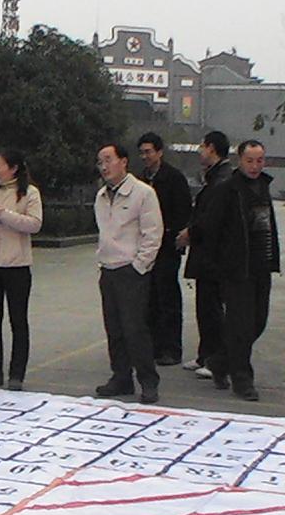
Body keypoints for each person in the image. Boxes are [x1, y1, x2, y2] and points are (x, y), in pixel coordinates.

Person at [200, 140, 279, 401]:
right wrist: (217, 266)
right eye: (250, 160)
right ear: (240, 160)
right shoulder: (228, 189)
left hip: (261, 266)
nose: (255, 166)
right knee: (241, 326)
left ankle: (219, 361)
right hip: (236, 271)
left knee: (258, 322)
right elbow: (211, 228)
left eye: (259, 160)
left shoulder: (263, 186)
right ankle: (242, 379)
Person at [93, 143, 163, 404]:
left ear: (123, 161)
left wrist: (140, 265)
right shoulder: (101, 195)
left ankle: (148, 380)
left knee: (135, 329)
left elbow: (152, 233)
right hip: (108, 268)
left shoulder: (143, 193)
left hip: (131, 271)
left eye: (108, 160)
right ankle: (121, 377)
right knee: (114, 329)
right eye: (100, 162)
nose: (104, 166)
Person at [0, 149, 42, 390]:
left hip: (17, 265)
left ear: (13, 168)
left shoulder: (29, 193)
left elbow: (34, 224)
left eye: (0, 166)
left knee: (18, 320)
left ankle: (17, 374)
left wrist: (6, 215)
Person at [176, 131, 233, 380]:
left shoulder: (222, 180)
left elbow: (212, 218)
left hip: (215, 256)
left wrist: (190, 232)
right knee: (204, 307)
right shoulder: (214, 177)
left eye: (202, 147)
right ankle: (205, 354)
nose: (200, 151)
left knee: (212, 309)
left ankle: (216, 358)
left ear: (211, 148)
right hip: (207, 255)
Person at [137, 132, 192, 366]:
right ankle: (154, 345)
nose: (145, 156)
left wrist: (176, 237)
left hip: (167, 247)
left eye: (149, 152)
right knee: (149, 298)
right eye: (142, 153)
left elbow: (183, 211)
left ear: (159, 152)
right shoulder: (140, 179)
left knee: (167, 297)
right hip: (146, 247)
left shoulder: (174, 178)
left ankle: (172, 348)